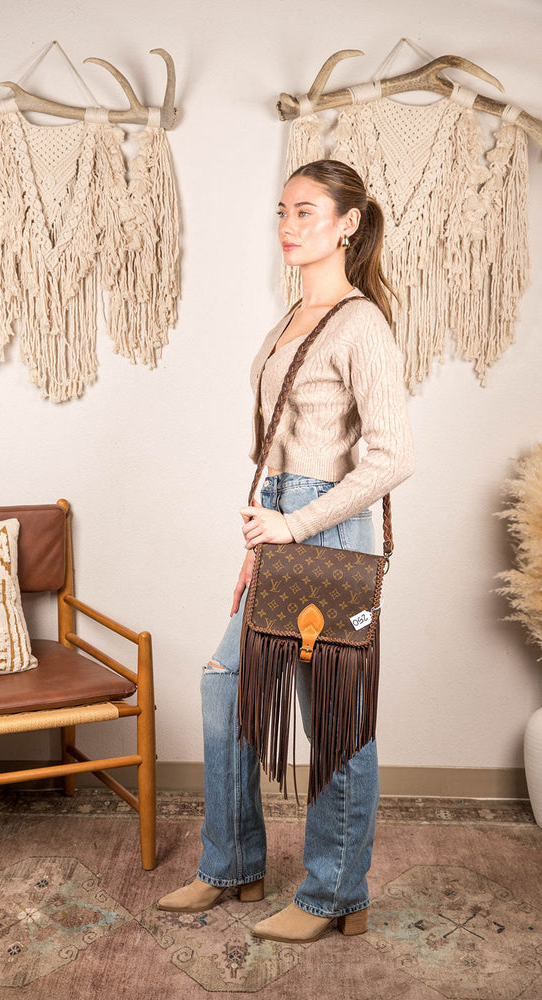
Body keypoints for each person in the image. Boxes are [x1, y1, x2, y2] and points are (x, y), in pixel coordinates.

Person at [157, 160, 414, 944]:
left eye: (306, 211)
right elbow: (272, 446)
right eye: (281, 211)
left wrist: (295, 527)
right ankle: (231, 863)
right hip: (277, 526)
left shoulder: (361, 324)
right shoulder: (289, 320)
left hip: (322, 528)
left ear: (347, 224)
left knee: (334, 719)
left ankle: (336, 893)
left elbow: (393, 458)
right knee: (227, 684)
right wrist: (257, 546)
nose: (288, 225)